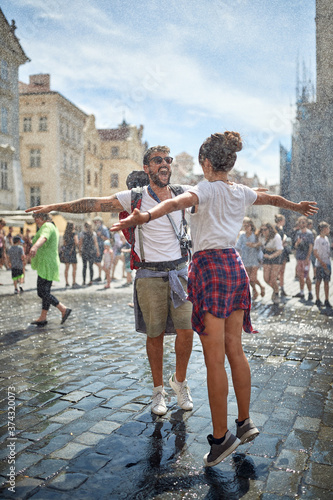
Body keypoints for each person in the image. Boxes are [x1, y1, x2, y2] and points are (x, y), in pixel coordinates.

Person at [110, 131, 318, 467]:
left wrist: (144, 217)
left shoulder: (203, 188)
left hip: (208, 268)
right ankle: (245, 421)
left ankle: (221, 438)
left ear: (206, 164)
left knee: (214, 359)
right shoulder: (240, 191)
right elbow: (270, 198)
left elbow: (174, 203)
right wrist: (295, 206)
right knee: (236, 349)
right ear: (229, 162)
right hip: (235, 266)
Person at [25, 146, 194, 418]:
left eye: (167, 160)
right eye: (157, 160)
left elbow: (217, 190)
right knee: (155, 335)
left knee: (187, 332)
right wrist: (55, 207)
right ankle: (158, 391)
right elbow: (91, 203)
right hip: (150, 274)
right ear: (148, 167)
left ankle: (180, 383)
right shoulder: (134, 196)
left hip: (180, 273)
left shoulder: (181, 192)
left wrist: (249, 194)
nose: (164, 164)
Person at [29, 213, 72, 326]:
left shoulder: (47, 226)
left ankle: (63, 309)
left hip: (46, 263)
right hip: (49, 262)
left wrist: (35, 246)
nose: (36, 221)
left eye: (37, 218)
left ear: (43, 218)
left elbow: (44, 237)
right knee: (46, 292)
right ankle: (43, 317)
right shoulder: (52, 226)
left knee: (41, 292)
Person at [235, 217, 265, 300]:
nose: (246, 227)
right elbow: (238, 246)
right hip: (245, 258)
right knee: (248, 278)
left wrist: (253, 245)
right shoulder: (242, 235)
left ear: (251, 225)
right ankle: (255, 291)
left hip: (255, 258)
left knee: (253, 277)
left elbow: (260, 244)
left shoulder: (255, 234)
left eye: (247, 225)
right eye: (244, 226)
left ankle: (261, 287)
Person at [258, 222, 283, 304]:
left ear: (270, 229)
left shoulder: (276, 236)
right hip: (267, 256)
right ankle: (276, 289)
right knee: (266, 278)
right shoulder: (261, 236)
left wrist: (271, 256)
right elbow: (260, 244)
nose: (263, 231)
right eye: (262, 230)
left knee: (273, 278)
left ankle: (276, 293)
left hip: (276, 257)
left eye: (265, 229)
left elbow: (279, 250)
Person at [293, 216, 314, 301]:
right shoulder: (298, 233)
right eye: (300, 222)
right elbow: (295, 246)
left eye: (303, 222)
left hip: (306, 258)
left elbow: (310, 246)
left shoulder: (309, 233)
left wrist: (307, 258)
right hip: (299, 257)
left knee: (307, 275)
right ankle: (301, 292)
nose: (302, 223)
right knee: (300, 276)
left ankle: (310, 292)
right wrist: (297, 243)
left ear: (306, 223)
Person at [313, 221, 331, 308]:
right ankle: (317, 299)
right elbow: (315, 252)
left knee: (327, 282)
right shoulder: (318, 239)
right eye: (328, 228)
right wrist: (322, 262)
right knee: (318, 281)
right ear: (323, 229)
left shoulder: (326, 239)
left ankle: (327, 299)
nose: (329, 230)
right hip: (320, 264)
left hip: (327, 263)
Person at [275, 214, 291, 297]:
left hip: (283, 252)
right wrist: (283, 241)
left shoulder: (281, 229)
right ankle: (277, 289)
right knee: (277, 272)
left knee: (282, 272)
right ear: (280, 221)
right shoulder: (275, 229)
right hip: (278, 252)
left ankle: (282, 288)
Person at [79, 221, 99, 286]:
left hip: (85, 251)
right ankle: (91, 281)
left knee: (84, 267)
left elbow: (80, 243)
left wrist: (79, 251)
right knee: (91, 267)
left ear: (85, 227)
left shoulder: (82, 233)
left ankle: (84, 281)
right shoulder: (93, 233)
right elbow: (95, 243)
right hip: (91, 251)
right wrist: (98, 251)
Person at [93, 216, 110, 282]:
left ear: (99, 221)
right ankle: (103, 274)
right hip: (98, 247)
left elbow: (107, 238)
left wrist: (101, 236)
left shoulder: (104, 228)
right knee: (97, 261)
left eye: (96, 221)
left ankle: (104, 274)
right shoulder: (97, 229)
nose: (95, 223)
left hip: (103, 247)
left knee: (101, 261)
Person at [62, 221, 79, 288]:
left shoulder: (65, 233)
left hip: (67, 251)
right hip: (73, 252)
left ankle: (66, 282)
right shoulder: (74, 233)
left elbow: (64, 243)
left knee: (66, 268)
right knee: (74, 268)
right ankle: (73, 282)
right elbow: (76, 242)